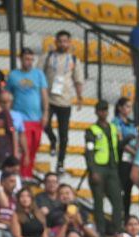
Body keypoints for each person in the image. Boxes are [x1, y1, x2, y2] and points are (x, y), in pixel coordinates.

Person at [41, 31, 83, 173]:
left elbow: (78, 80)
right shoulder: (47, 57)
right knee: (44, 124)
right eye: (60, 41)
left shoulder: (74, 59)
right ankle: (52, 140)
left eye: (66, 41)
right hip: (48, 98)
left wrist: (79, 96)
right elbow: (38, 73)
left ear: (70, 42)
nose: (63, 44)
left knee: (64, 135)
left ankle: (60, 162)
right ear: (55, 42)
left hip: (65, 101)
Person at [6, 48, 47, 180]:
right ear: (21, 59)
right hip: (20, 117)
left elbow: (44, 95)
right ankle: (22, 175)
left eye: (31, 59)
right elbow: (8, 95)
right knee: (25, 147)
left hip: (37, 118)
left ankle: (28, 173)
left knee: (34, 147)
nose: (29, 62)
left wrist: (46, 113)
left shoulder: (39, 74)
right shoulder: (13, 75)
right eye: (26, 59)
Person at [85, 100, 122, 235]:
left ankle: (117, 229)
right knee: (99, 202)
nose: (103, 112)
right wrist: (92, 170)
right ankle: (100, 230)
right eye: (101, 110)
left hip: (112, 167)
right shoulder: (92, 130)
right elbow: (88, 151)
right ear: (96, 112)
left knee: (117, 200)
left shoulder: (113, 127)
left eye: (105, 110)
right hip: (99, 167)